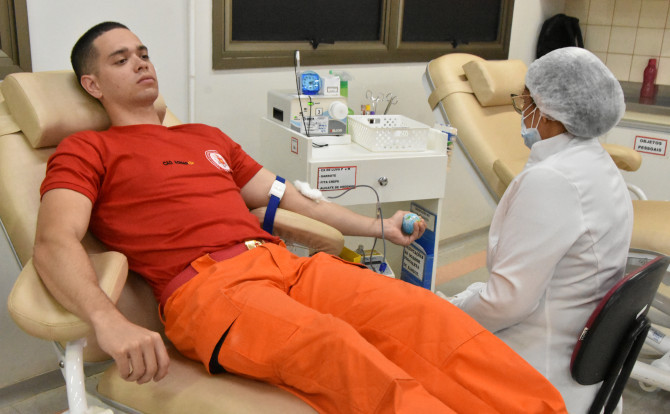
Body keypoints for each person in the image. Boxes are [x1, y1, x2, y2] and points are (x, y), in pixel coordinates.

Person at [33, 21, 567, 413]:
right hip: (209, 290)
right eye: (121, 59)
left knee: (425, 314)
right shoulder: (88, 149)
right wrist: (109, 321)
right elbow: (55, 242)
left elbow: (292, 199)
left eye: (144, 53)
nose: (142, 63)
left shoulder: (204, 138)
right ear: (93, 85)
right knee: (343, 352)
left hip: (286, 266)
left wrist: (378, 228)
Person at [447, 47, 633, 413]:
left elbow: (506, 302)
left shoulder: (553, 180)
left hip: (537, 371)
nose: (523, 113)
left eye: (525, 102)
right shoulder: (597, 163)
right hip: (582, 360)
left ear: (547, 111)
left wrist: (450, 314)